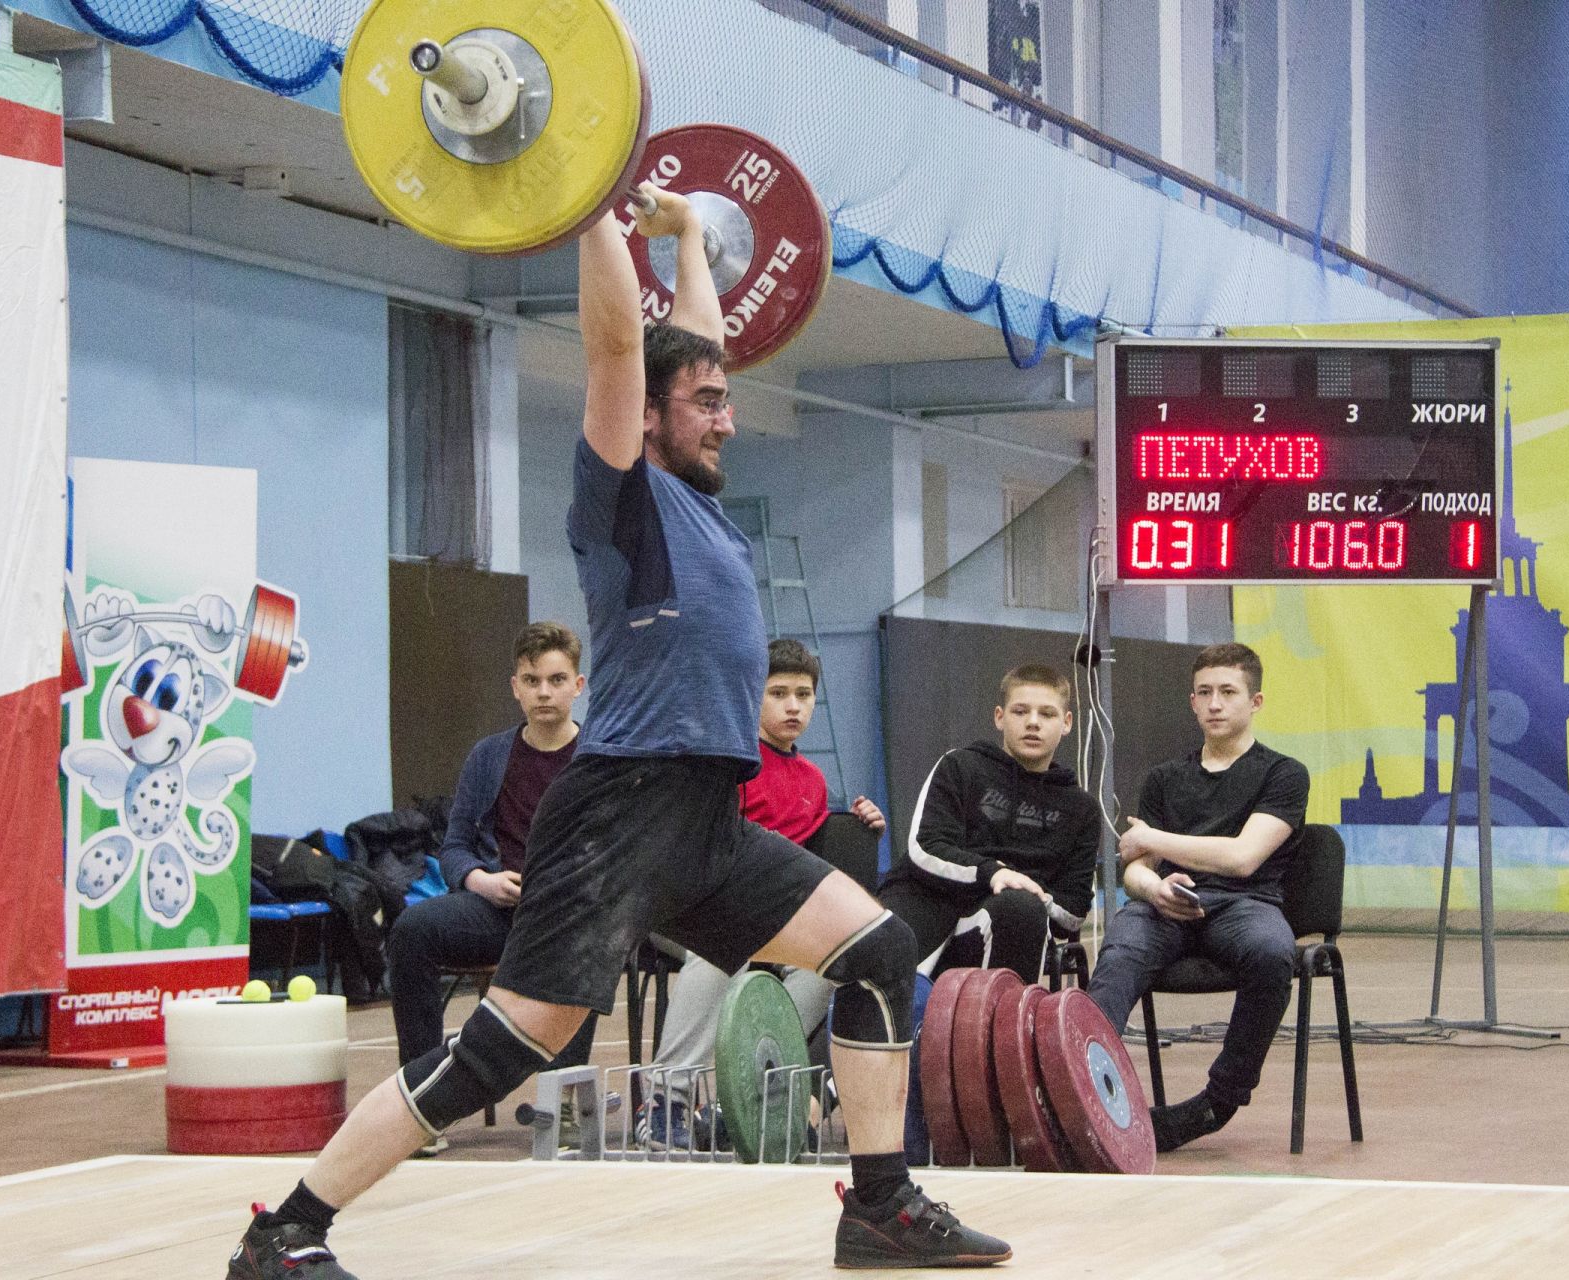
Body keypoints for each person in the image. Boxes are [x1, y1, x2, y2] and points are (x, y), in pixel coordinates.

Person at [226, 187, 1010, 1278]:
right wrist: (594, 208)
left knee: (876, 951)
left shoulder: (698, 496)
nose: (726, 415)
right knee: (502, 1053)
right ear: (648, 412)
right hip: (617, 817)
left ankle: (876, 1207)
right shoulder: (621, 496)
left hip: (705, 820)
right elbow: (617, 350)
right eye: (705, 403)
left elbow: (695, 348)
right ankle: (286, 1230)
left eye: (725, 400)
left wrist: (688, 236)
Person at [632, 638, 886, 1150]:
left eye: (804, 694)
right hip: (686, 911)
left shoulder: (813, 782)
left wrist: (863, 825)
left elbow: (811, 871)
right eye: (778, 693)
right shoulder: (729, 763)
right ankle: (665, 1104)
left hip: (767, 923)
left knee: (827, 972)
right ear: (753, 696)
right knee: (722, 955)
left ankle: (739, 1100)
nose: (793, 706)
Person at [1085, 641, 1309, 1153]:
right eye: (1204, 692)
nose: (1214, 703)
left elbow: (1242, 858)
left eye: (1228, 692)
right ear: (1191, 702)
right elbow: (1134, 873)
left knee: (1274, 954)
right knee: (1120, 951)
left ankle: (1219, 1101)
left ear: (1255, 703)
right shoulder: (1165, 779)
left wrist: (1154, 840)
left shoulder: (1284, 773)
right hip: (1166, 902)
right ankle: (1087, 1093)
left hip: (1245, 904)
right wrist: (1154, 885)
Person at [384, 621, 594, 1154]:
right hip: (502, 911)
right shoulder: (488, 756)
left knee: (595, 944)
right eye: (532, 680)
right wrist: (481, 880)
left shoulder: (601, 757)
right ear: (515, 688)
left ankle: (566, 1114)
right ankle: (421, 1111)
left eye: (556, 679)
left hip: (574, 916)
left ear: (578, 685)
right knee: (412, 931)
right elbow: (453, 845)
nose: (544, 692)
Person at [877, 664, 1100, 984]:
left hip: (1013, 920)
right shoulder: (960, 766)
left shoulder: (1082, 809)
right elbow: (926, 848)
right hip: (928, 903)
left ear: (1066, 723)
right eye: (1020, 711)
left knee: (1021, 907)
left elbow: (1072, 912)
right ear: (1000, 717)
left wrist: (1024, 888)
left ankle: (997, 1031)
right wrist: (993, 872)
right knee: (871, 942)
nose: (1033, 723)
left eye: (1047, 714)